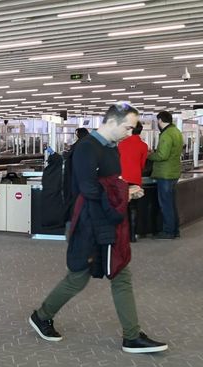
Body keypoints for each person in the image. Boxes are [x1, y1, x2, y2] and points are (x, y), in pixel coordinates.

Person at [29, 103, 168, 354]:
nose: (129, 133)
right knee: (78, 277)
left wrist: (126, 190)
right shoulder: (86, 149)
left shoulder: (110, 148)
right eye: (127, 127)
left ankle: (132, 335)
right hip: (88, 223)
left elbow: (110, 183)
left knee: (120, 273)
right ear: (112, 121)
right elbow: (89, 189)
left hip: (105, 220)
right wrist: (124, 194)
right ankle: (42, 316)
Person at [148, 111, 184, 240]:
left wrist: (149, 155)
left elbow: (162, 155)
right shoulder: (177, 132)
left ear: (160, 120)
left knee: (166, 204)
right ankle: (175, 230)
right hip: (174, 172)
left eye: (157, 121)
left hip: (165, 173)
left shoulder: (166, 134)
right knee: (171, 203)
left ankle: (168, 231)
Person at [118, 122, 149, 242]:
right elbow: (142, 165)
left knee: (122, 206)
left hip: (122, 178)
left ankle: (122, 235)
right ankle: (132, 236)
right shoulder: (143, 146)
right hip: (135, 178)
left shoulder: (121, 144)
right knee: (133, 207)